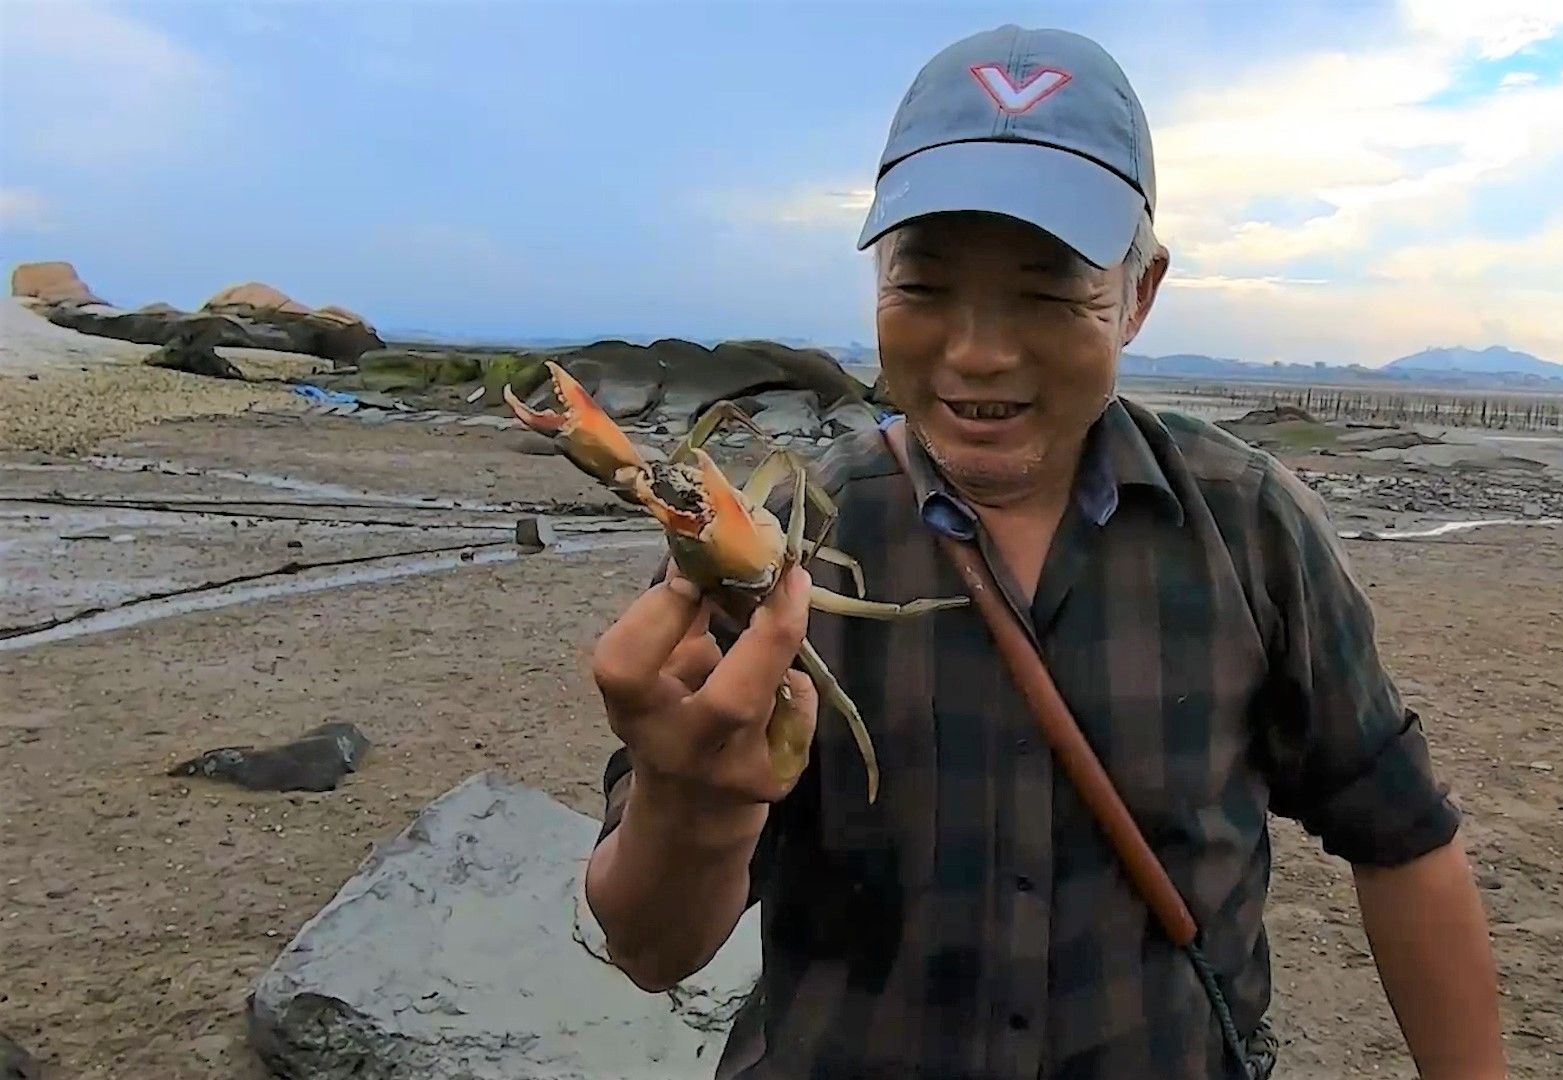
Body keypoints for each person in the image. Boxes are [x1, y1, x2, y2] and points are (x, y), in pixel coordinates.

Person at [582, 23, 1506, 1080]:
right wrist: (692, 804)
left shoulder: (1249, 526)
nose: (978, 350)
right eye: (923, 288)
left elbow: (1401, 840)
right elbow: (651, 950)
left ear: (1139, 294)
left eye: (1047, 288)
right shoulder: (773, 546)